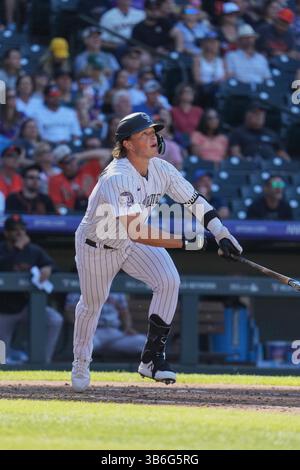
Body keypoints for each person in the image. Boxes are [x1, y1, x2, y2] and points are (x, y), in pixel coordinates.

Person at [71, 111, 243, 392]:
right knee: (92, 305)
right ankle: (80, 362)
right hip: (97, 244)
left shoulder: (161, 169)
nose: (153, 138)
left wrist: (221, 232)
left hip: (130, 241)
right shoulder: (117, 176)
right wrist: (190, 241)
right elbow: (137, 231)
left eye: (154, 133)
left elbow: (194, 200)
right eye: (145, 134)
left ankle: (151, 359)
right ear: (127, 143)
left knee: (169, 280)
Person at [0, 215, 63, 363]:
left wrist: (48, 268)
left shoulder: (33, 250)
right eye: (15, 230)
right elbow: (4, 266)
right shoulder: (2, 249)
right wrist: (17, 249)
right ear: (6, 233)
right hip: (3, 311)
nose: (20, 233)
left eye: (22, 229)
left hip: (26, 306)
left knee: (54, 319)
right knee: (1, 359)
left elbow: (54, 266)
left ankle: (42, 360)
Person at [65, 291, 146, 356]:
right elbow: (69, 312)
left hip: (115, 335)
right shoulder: (80, 287)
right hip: (93, 333)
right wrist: (82, 328)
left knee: (143, 342)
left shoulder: (116, 288)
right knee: (85, 346)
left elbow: (124, 313)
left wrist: (128, 328)